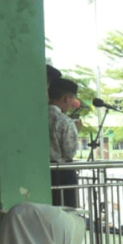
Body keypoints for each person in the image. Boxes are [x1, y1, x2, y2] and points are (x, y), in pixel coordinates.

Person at [48, 77, 81, 208]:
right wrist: (76, 132)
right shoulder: (65, 121)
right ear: (66, 98)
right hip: (62, 173)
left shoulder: (36, 117)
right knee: (65, 211)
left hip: (41, 172)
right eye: (71, 99)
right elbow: (69, 153)